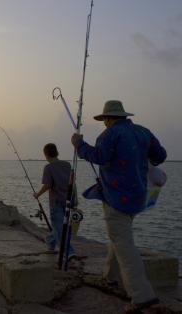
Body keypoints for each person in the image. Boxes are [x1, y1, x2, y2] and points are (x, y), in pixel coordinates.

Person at [71, 100, 167, 313]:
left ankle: (143, 297)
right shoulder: (144, 132)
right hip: (138, 197)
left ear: (108, 118)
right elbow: (160, 156)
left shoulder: (109, 135)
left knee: (124, 245)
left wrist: (79, 145)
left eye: (104, 119)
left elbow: (99, 156)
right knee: (119, 237)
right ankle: (110, 277)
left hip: (115, 198)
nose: (104, 123)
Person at [33, 143, 75, 259]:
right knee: (59, 227)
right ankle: (50, 242)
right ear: (56, 152)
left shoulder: (48, 168)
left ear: (46, 154)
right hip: (68, 200)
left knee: (59, 228)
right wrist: (74, 199)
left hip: (56, 202)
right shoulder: (67, 165)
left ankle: (69, 251)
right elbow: (72, 183)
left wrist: (38, 194)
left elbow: (47, 185)